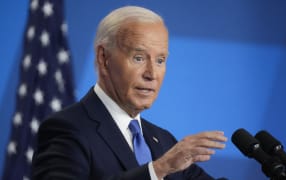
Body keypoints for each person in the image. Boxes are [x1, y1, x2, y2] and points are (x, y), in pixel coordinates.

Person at [32, 6, 227, 180]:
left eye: (160, 60)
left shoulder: (164, 141)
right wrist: (156, 170)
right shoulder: (67, 129)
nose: (151, 74)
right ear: (104, 57)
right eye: (139, 58)